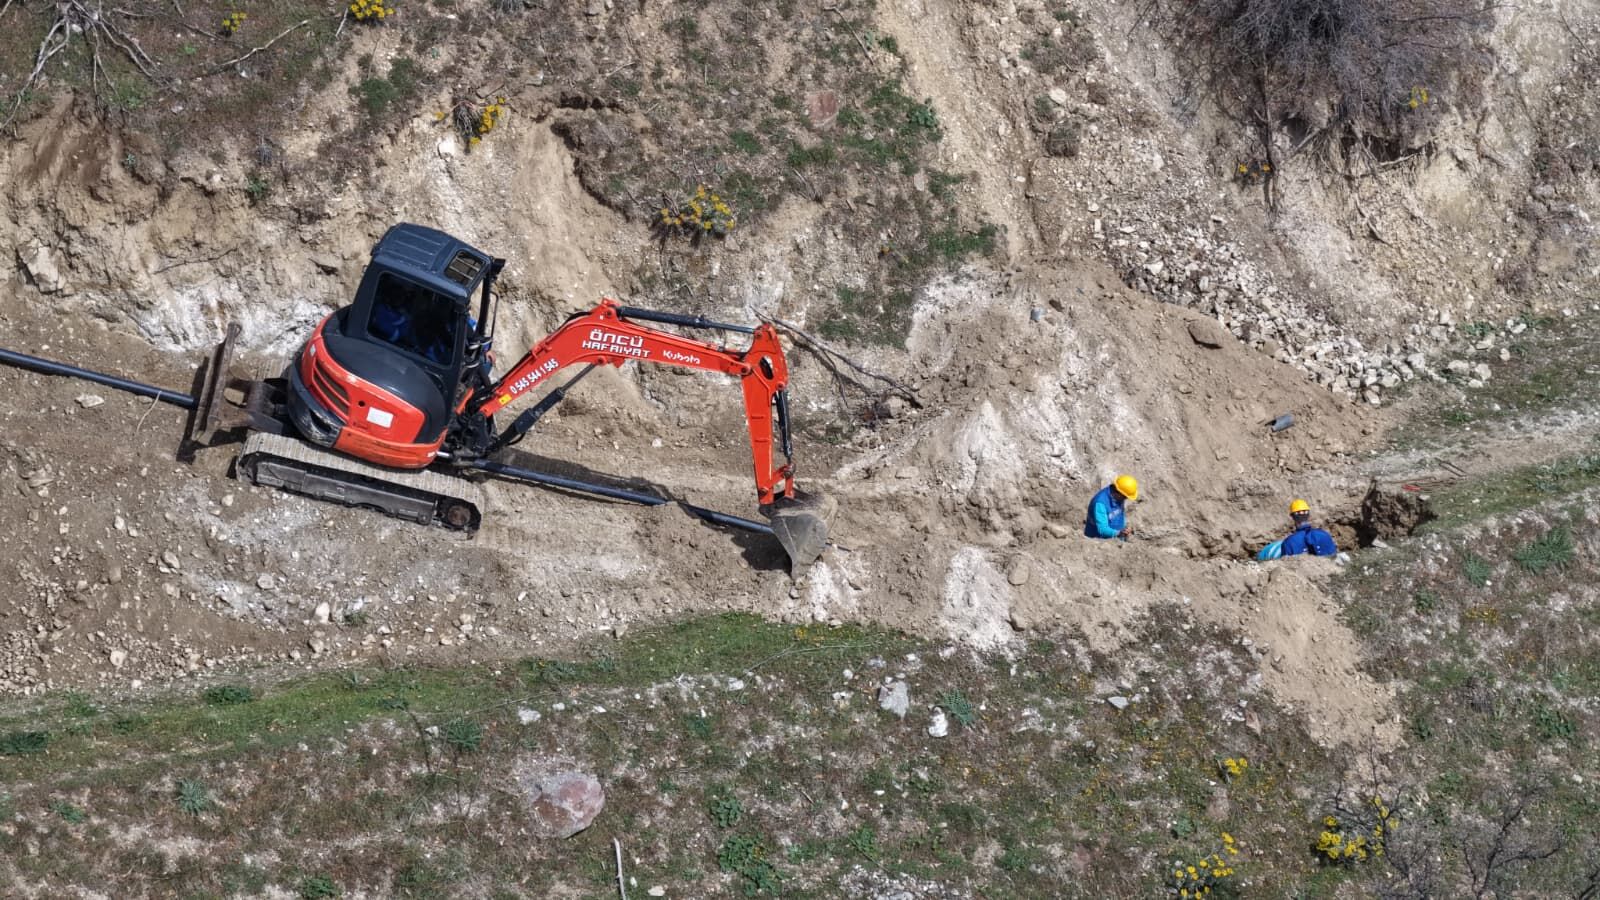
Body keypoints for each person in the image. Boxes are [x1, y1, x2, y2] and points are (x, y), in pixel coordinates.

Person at [1260, 498, 1337, 559]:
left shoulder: (1289, 542)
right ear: (1308, 514)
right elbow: (1334, 556)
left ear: (1292, 517)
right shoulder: (1324, 535)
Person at [1084, 475, 1139, 540]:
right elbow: (1102, 530)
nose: (1126, 499)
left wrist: (1125, 529)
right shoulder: (1100, 503)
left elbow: (1119, 514)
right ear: (1119, 493)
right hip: (1100, 543)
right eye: (1125, 497)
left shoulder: (1119, 497)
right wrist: (1118, 533)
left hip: (1117, 536)